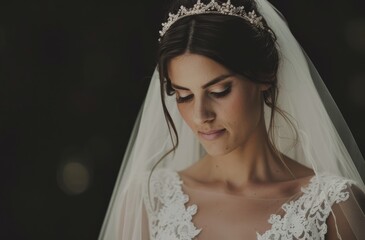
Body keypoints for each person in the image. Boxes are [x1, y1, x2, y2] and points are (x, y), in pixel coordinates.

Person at [99, 0, 365, 239]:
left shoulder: (333, 206)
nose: (201, 115)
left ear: (265, 75)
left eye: (219, 91)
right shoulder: (148, 200)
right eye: (183, 96)